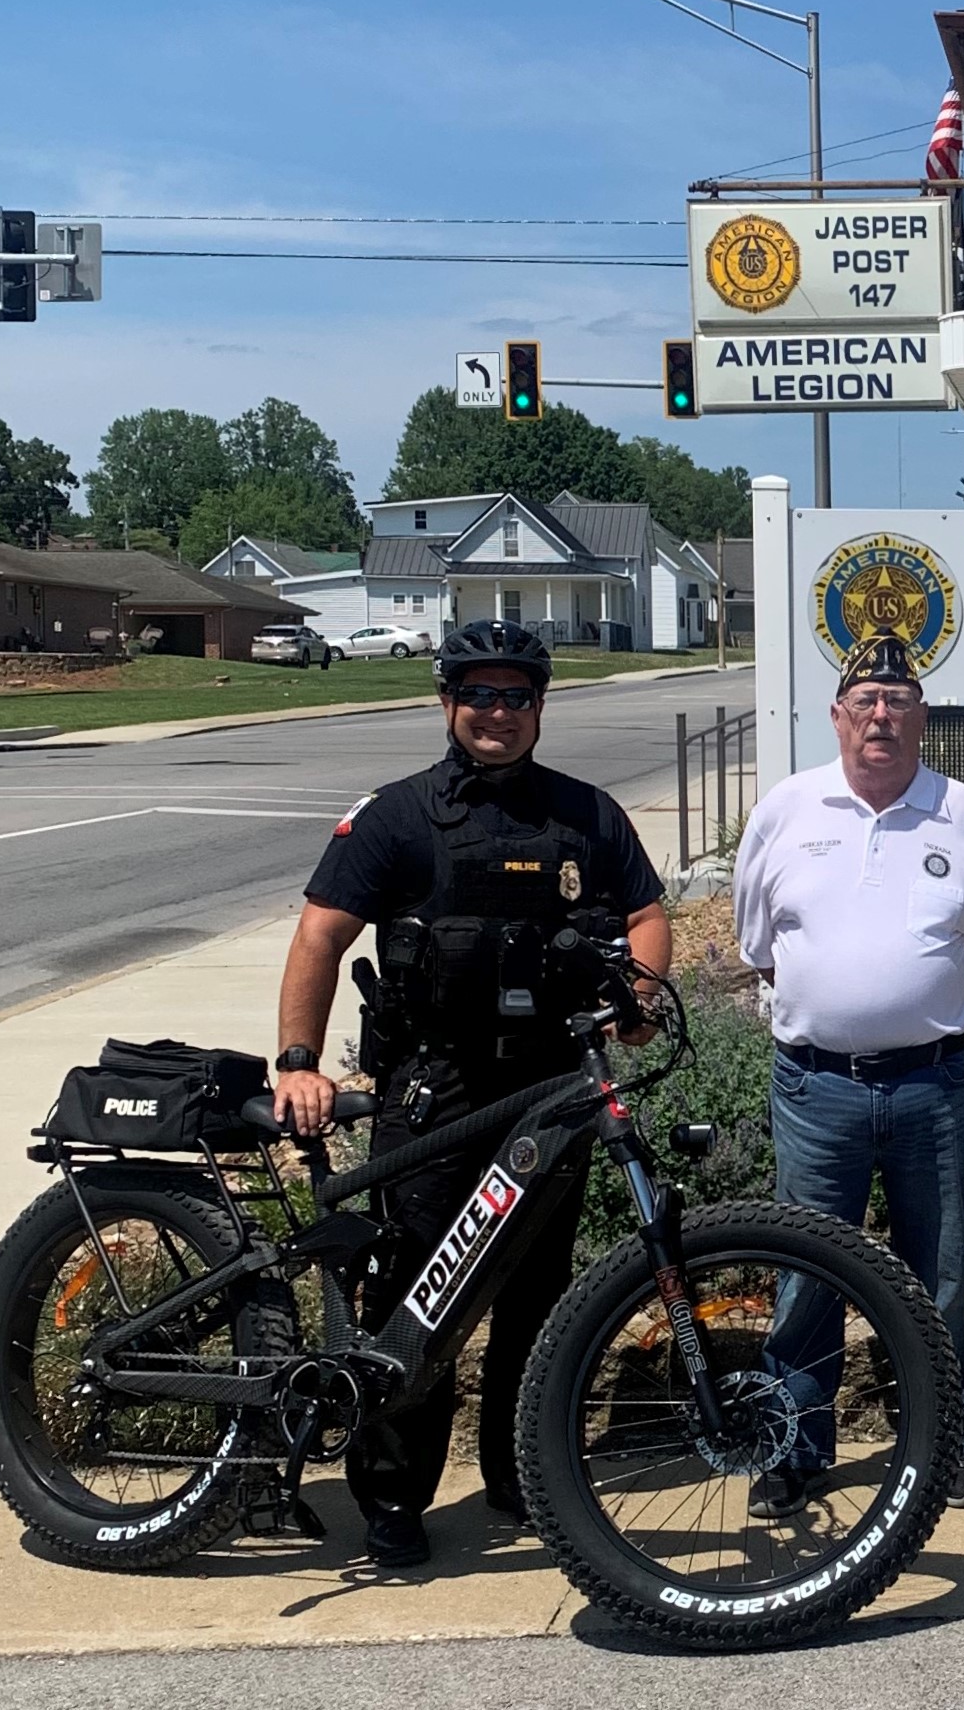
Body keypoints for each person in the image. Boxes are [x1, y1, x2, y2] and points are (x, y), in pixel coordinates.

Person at [273, 619, 672, 1569]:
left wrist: (642, 998)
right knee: (418, 1295)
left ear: (540, 706)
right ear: (447, 701)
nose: (497, 714)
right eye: (479, 695)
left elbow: (648, 913)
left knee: (536, 1298)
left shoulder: (586, 816)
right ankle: (395, 1503)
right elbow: (319, 938)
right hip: (433, 1094)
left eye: (516, 697)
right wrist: (296, 1059)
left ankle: (521, 1476)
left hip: (548, 1090)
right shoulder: (397, 817)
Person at [732, 629, 964, 1519]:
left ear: (922, 718)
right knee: (807, 1274)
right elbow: (755, 944)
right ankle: (793, 1451)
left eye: (898, 702)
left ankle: (942, 1443)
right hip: (818, 1090)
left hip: (933, 1086)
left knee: (940, 1277)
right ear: (837, 717)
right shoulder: (786, 810)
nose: (881, 716)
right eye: (865, 703)